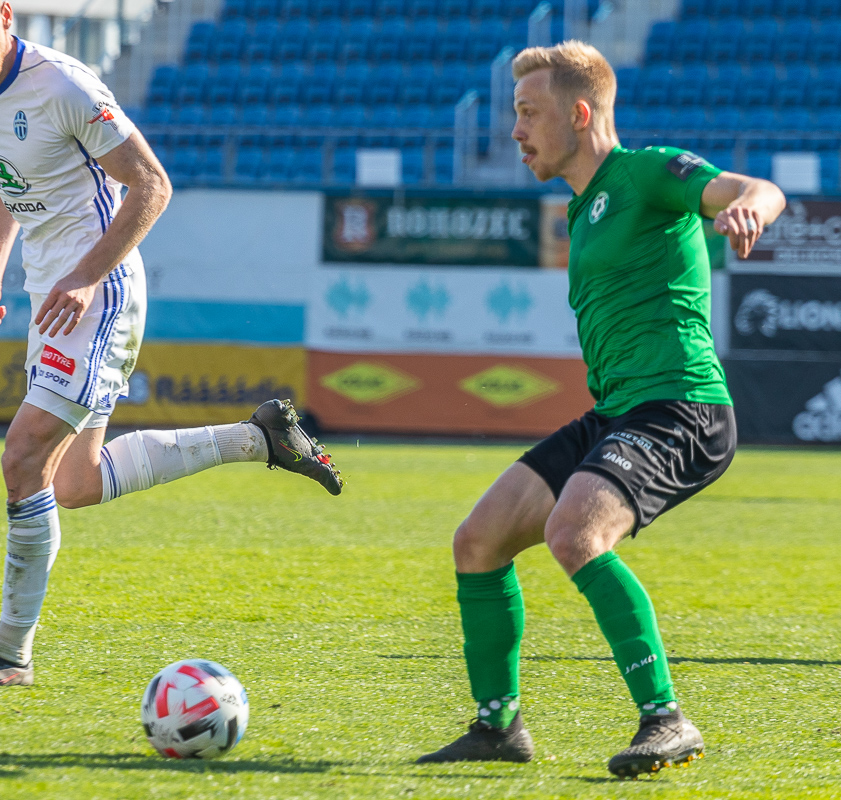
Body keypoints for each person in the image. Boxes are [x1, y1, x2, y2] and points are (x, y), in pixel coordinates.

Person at [416, 41, 785, 778]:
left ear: (580, 115)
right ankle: (497, 726)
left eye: (529, 113)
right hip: (619, 411)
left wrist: (749, 206)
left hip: (681, 408)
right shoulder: (584, 208)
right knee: (478, 542)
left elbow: (754, 187)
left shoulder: (646, 173)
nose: (515, 131)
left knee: (574, 533)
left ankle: (665, 718)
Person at [0, 2, 342, 688]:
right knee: (74, 483)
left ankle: (10, 655)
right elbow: (10, 192)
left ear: (6, 15)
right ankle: (258, 439)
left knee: (23, 455)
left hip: (99, 292)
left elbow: (153, 185)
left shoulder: (62, 84)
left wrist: (86, 276)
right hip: (52, 298)